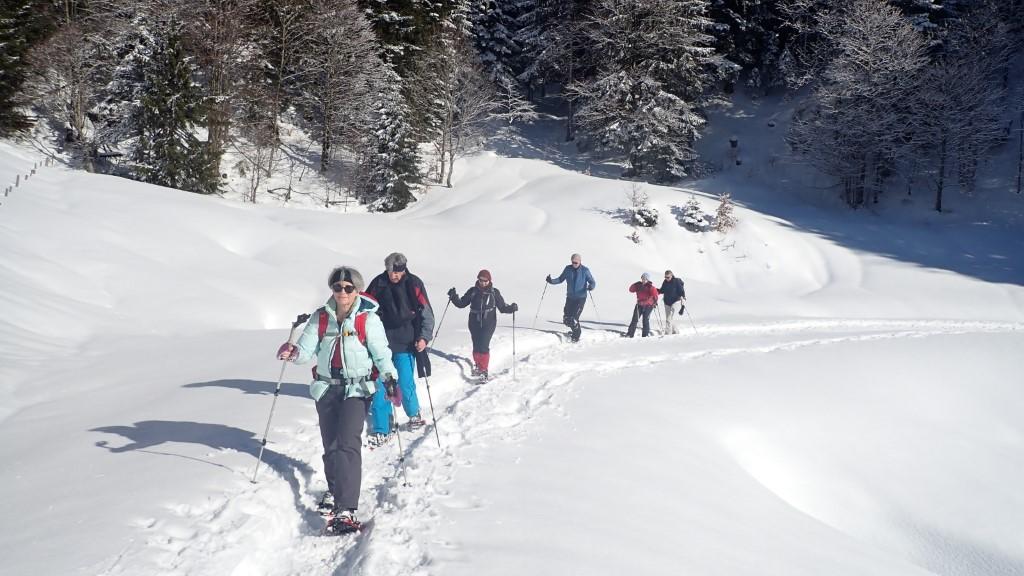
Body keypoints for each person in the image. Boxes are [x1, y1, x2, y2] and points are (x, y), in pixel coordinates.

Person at [276, 266, 398, 534]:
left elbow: (381, 353)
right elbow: (306, 351)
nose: (342, 292)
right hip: (326, 388)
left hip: (357, 389)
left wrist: (390, 378)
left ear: (357, 290)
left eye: (348, 287)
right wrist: (292, 352)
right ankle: (334, 491)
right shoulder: (321, 318)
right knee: (330, 445)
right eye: (337, 287)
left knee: (347, 444)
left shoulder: (368, 320)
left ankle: (345, 509)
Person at [364, 252, 435, 447]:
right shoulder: (378, 284)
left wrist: (424, 337)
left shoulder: (414, 284)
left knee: (404, 382)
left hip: (406, 343)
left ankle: (413, 413)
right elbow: (364, 309)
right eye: (391, 271)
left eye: (399, 271)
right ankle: (381, 427)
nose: (395, 275)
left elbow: (426, 313)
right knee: (381, 387)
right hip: (381, 345)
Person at [446, 269, 518, 380]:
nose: (483, 282)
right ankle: (478, 366)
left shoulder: (494, 292)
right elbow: (461, 304)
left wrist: (511, 308)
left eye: (485, 280)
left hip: (489, 322)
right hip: (474, 322)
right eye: (481, 280)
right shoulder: (473, 291)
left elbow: (502, 307)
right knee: (476, 345)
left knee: (483, 345)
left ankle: (484, 370)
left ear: (489, 280)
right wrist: (453, 297)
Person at [546, 253, 596, 342]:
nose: (574, 264)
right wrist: (551, 281)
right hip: (570, 297)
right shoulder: (568, 269)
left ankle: (576, 336)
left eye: (576, 262)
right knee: (566, 319)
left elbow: (592, 282)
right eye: (573, 262)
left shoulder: (585, 270)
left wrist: (591, 286)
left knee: (574, 319)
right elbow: (560, 279)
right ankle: (574, 331)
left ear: (580, 262)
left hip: (580, 298)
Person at [626, 272, 659, 337]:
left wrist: (655, 303)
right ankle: (630, 334)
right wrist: (635, 284)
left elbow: (655, 295)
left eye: (645, 279)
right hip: (639, 305)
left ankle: (645, 335)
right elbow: (631, 290)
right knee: (635, 319)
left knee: (645, 319)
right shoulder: (639, 285)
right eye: (642, 278)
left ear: (648, 280)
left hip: (648, 305)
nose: (643, 280)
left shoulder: (651, 287)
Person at [659, 270, 686, 335]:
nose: (666, 278)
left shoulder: (676, 281)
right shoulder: (665, 282)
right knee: (669, 318)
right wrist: (655, 290)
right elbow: (662, 290)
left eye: (668, 277)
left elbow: (682, 292)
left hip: (675, 301)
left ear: (671, 276)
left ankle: (667, 334)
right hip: (666, 302)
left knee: (669, 318)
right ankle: (676, 332)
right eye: (665, 277)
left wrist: (682, 305)